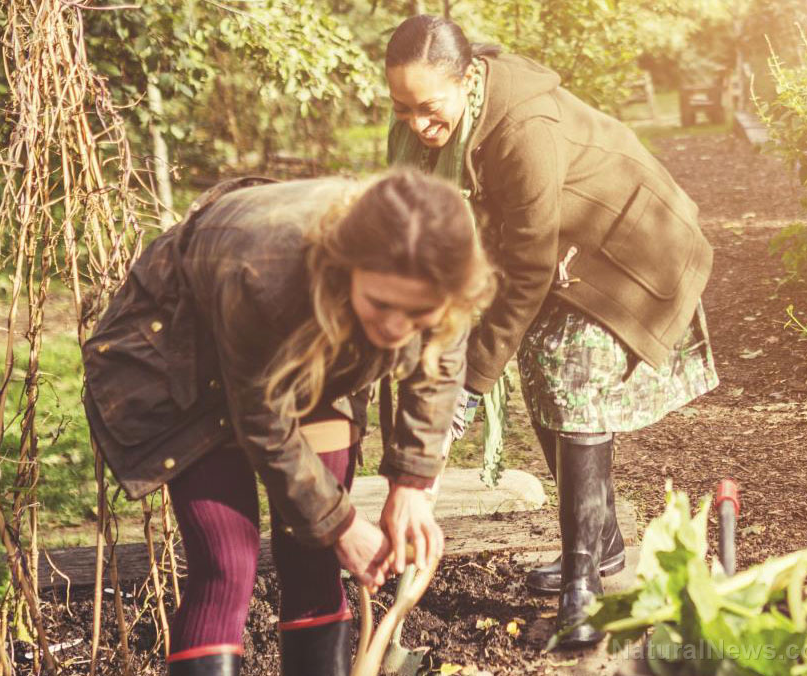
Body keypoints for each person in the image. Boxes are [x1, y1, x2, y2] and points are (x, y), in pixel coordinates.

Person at [383, 15, 720, 649]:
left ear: (466, 79)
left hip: (629, 245)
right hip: (556, 249)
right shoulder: (428, 129)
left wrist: (471, 386)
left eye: (429, 108)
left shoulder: (521, 128)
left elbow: (530, 266)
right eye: (401, 108)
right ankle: (605, 543)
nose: (416, 125)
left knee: (570, 382)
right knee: (543, 377)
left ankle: (584, 587)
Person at [82, 170, 496, 675]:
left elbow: (440, 365)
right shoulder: (266, 275)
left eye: (416, 314)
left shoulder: (437, 271)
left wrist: (410, 482)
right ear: (347, 269)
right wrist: (342, 522)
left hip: (306, 349)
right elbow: (264, 419)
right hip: (182, 357)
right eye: (382, 304)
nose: (394, 329)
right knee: (226, 566)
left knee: (312, 551)